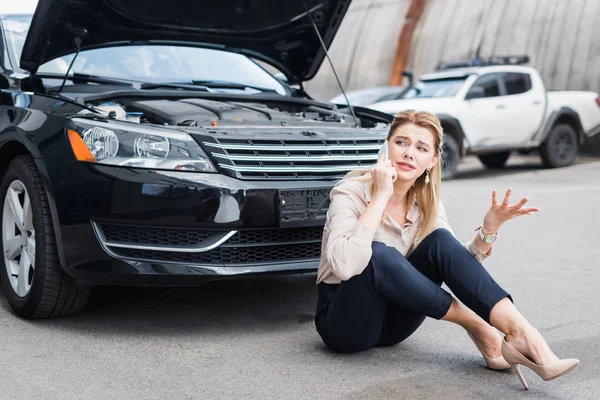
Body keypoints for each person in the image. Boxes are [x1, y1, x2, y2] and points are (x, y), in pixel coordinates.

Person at [314, 110, 578, 390]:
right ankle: (476, 325)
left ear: (433, 161)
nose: (409, 154)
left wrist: (489, 230)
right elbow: (344, 266)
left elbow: (454, 262)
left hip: (395, 325)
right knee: (378, 255)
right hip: (345, 323)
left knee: (439, 240)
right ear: (386, 146)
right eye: (401, 143)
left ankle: (524, 334)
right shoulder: (350, 192)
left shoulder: (427, 202)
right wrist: (380, 195)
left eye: (421, 148)